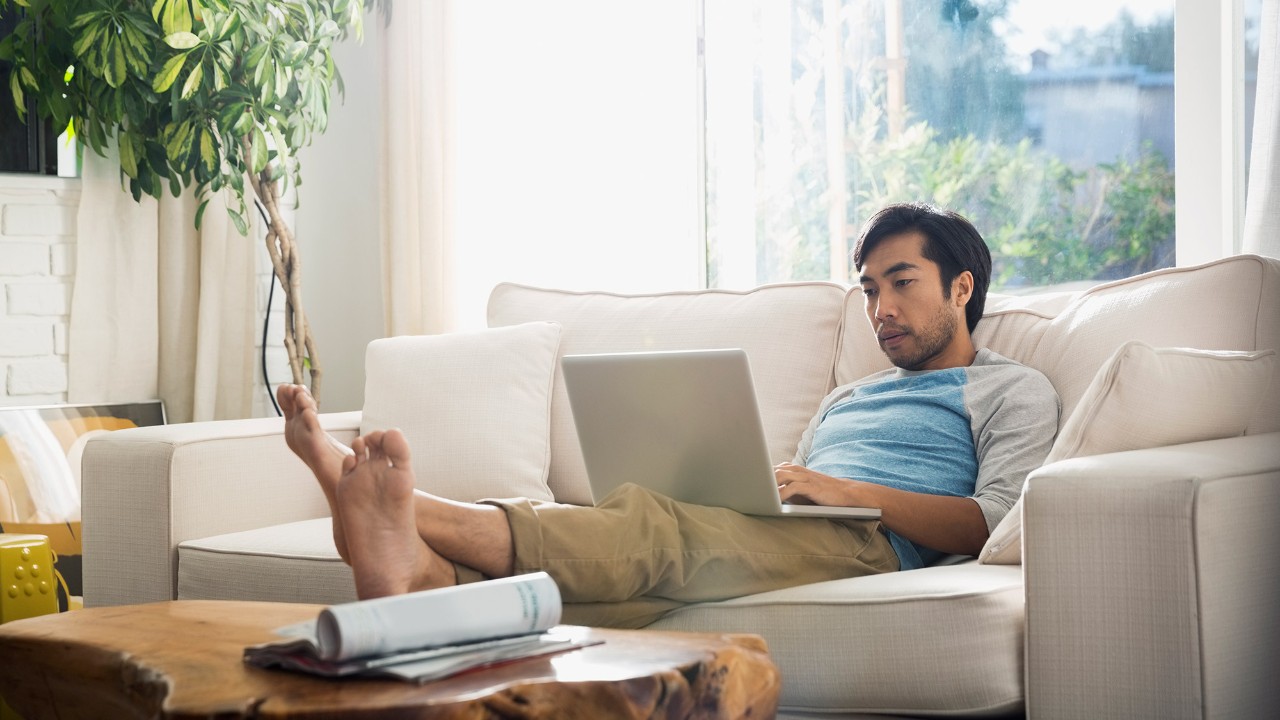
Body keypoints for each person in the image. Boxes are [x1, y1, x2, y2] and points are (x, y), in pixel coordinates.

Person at [280, 202, 1059, 627]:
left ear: (961, 288)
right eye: (869, 290)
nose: (880, 309)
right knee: (648, 577)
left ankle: (402, 511)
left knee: (655, 528)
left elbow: (993, 525)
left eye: (901, 283)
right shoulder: (847, 396)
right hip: (794, 527)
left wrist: (853, 494)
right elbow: (785, 495)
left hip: (873, 544)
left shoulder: (1010, 390)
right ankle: (423, 577)